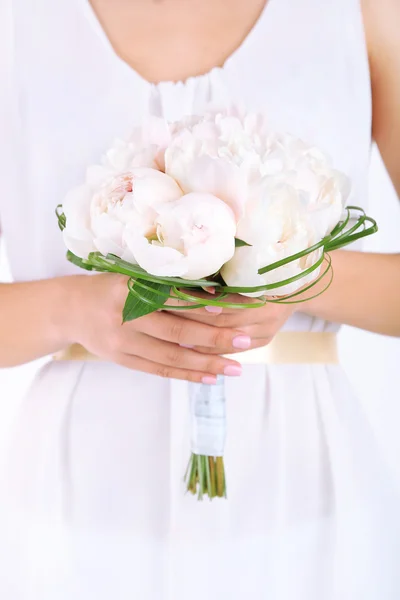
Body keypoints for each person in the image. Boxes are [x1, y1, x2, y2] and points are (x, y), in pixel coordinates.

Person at [0, 0, 399, 598]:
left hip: (301, 498)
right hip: (76, 508)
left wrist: (304, 275)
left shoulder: (363, 13)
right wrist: (72, 309)